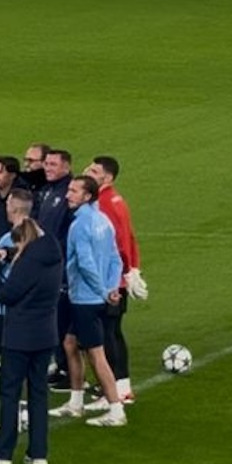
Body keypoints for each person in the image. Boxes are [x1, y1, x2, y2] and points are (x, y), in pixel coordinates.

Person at [0, 218, 62, 464]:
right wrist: (7, 254)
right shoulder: (54, 252)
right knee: (39, 393)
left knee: (10, 393)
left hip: (20, 336)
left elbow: (8, 295)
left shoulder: (27, 263)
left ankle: (3, 453)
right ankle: (38, 454)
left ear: (23, 242)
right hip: (45, 334)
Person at [49, 176, 128, 427]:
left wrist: (103, 291)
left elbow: (85, 264)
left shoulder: (79, 226)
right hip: (97, 296)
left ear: (87, 196)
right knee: (70, 343)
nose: (67, 195)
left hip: (86, 298)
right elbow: (116, 258)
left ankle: (116, 410)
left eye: (74, 191)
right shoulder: (103, 220)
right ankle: (75, 403)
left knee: (96, 355)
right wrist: (112, 287)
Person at [83, 156, 147, 411]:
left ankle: (115, 391)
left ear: (107, 177)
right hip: (118, 278)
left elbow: (118, 242)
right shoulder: (116, 199)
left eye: (94, 170)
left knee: (107, 335)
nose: (87, 172)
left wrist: (126, 271)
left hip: (110, 282)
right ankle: (121, 388)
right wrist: (133, 268)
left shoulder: (106, 203)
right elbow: (130, 236)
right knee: (113, 333)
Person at [33, 148, 74, 389]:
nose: (47, 168)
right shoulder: (48, 190)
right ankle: (60, 365)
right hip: (46, 262)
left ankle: (68, 370)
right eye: (46, 164)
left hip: (60, 264)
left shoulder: (68, 192)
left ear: (66, 167)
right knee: (53, 316)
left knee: (61, 317)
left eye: (53, 164)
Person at [0, 189, 35, 373]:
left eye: (8, 204)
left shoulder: (8, 239)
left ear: (14, 209)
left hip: (10, 299)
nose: (5, 207)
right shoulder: (39, 234)